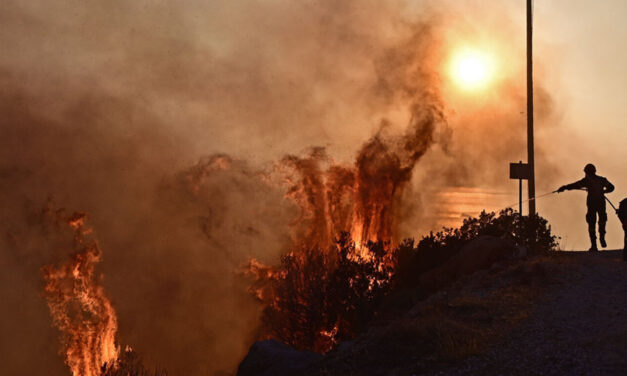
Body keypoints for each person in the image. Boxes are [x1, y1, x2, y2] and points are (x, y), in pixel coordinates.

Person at [557, 163, 615, 251]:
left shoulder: (586, 181)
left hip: (592, 204)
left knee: (591, 224)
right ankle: (602, 238)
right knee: (602, 221)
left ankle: (594, 245)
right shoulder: (602, 180)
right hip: (601, 203)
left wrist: (564, 187)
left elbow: (575, 185)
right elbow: (611, 187)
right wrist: (604, 192)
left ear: (587, 172)